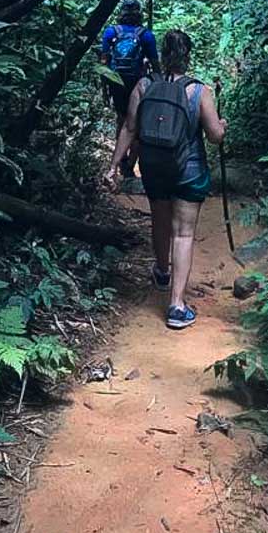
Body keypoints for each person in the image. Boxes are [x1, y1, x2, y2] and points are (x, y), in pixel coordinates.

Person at [107, 29, 227, 330]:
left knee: (159, 221)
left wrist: (113, 165)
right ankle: (176, 306)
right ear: (188, 57)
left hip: (153, 167)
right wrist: (222, 125)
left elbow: (130, 128)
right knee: (183, 233)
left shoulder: (144, 85)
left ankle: (161, 273)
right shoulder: (199, 91)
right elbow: (215, 137)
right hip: (189, 170)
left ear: (161, 55)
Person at [100, 0, 159, 177]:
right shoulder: (145, 35)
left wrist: (104, 87)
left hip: (116, 80)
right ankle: (129, 166)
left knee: (122, 119)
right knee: (137, 122)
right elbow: (155, 63)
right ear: (139, 13)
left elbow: (104, 61)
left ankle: (121, 159)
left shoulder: (111, 32)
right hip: (137, 82)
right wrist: (160, 84)